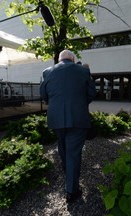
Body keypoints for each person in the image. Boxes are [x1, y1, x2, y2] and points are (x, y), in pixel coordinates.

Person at [40, 50, 97, 203]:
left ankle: (68, 170)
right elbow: (92, 94)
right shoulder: (83, 70)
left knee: (62, 146)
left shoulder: (47, 72)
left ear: (60, 60)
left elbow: (44, 96)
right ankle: (72, 191)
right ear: (72, 59)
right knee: (73, 152)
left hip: (55, 118)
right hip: (77, 118)